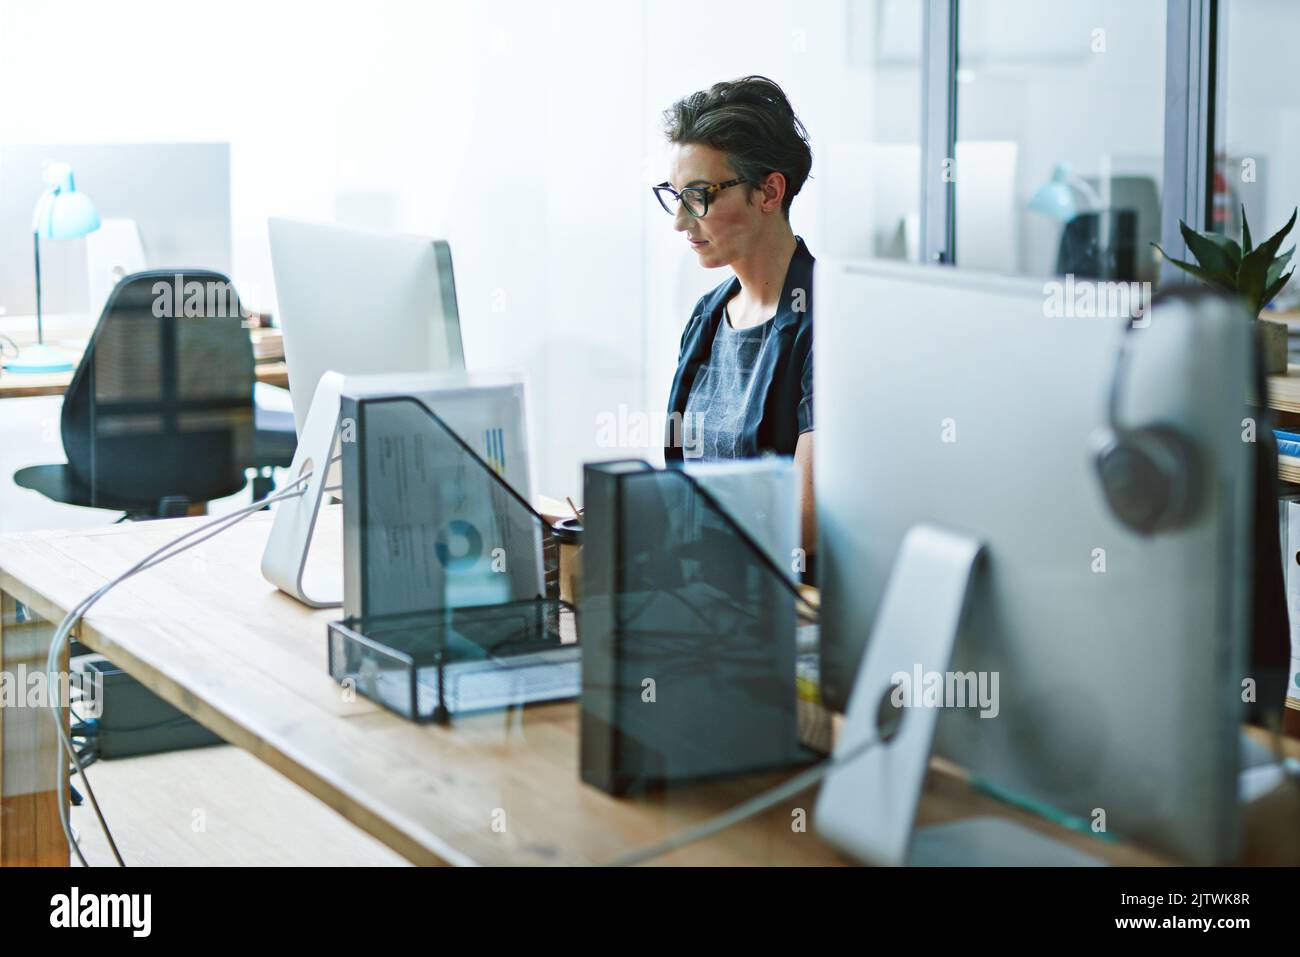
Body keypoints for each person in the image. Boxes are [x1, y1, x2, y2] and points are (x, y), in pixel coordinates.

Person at [656, 75, 817, 554]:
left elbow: (804, 525)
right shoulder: (707, 317)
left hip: (783, 605)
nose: (681, 221)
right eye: (675, 195)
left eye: (699, 196)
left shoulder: (826, 323)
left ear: (768, 193)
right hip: (705, 590)